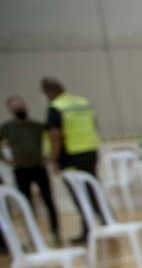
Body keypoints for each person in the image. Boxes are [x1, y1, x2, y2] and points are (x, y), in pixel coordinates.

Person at [42, 77, 101, 242]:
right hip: (90, 151)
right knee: (94, 188)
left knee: (79, 193)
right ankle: (107, 221)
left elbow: (55, 136)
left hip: (71, 156)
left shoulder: (56, 107)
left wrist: (54, 158)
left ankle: (88, 229)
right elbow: (95, 124)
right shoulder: (82, 102)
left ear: (50, 91)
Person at [0, 95, 60, 245]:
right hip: (21, 169)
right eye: (14, 106)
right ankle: (32, 232)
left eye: (20, 105)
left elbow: (53, 136)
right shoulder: (7, 128)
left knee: (48, 199)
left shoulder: (37, 126)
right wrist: (5, 160)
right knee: (26, 202)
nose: (18, 108)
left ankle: (55, 230)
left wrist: (51, 156)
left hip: (38, 167)